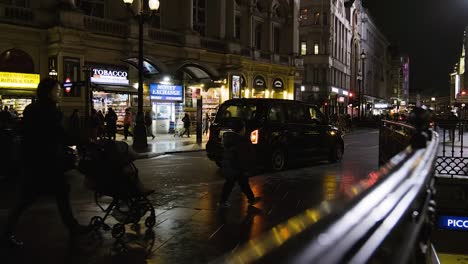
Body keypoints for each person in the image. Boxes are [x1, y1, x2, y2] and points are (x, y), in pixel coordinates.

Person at [2, 78, 91, 247]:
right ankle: (6, 233)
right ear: (48, 92)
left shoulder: (32, 109)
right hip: (45, 161)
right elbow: (57, 134)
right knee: (30, 198)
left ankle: (72, 226)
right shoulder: (49, 111)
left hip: (36, 160)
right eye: (56, 91)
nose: (59, 94)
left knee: (56, 192)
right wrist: (80, 141)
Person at [218, 119, 261, 208]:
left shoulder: (229, 138)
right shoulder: (240, 141)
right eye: (244, 128)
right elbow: (242, 156)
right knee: (238, 183)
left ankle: (251, 199)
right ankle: (223, 202)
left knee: (238, 183)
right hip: (236, 167)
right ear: (241, 129)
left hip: (230, 166)